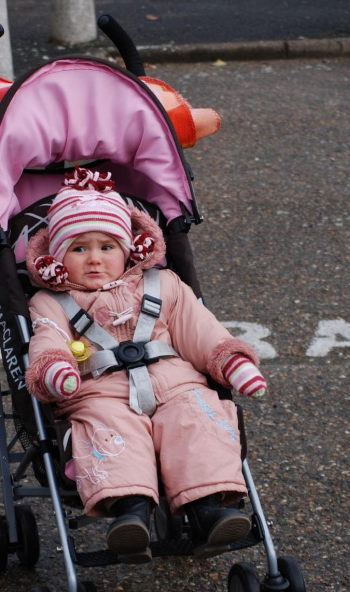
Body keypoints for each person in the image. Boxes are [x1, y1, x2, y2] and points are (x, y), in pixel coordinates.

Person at [25, 167, 267, 564]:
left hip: (175, 383)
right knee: (110, 428)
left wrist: (232, 361)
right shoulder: (51, 302)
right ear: (57, 257)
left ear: (128, 248)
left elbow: (200, 330)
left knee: (196, 417)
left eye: (107, 246)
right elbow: (48, 339)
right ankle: (130, 513)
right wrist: (56, 369)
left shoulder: (164, 284)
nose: (95, 259)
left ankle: (209, 510)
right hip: (100, 393)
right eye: (79, 248)